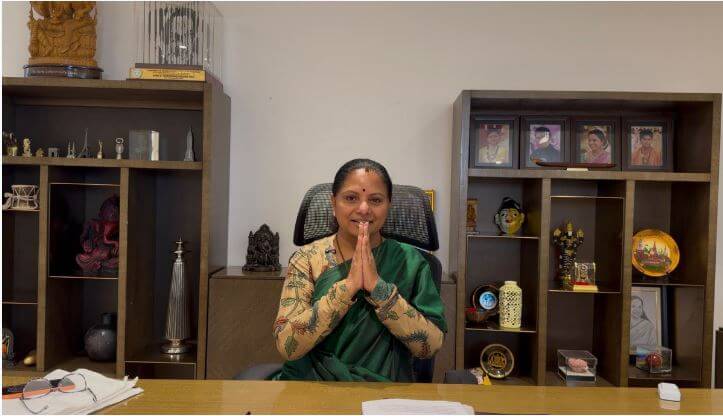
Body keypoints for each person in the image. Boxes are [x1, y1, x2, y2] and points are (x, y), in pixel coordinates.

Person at [270, 159, 447, 381]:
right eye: (351, 198)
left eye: (375, 200)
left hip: (384, 391)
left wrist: (380, 290)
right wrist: (346, 289)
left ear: (389, 205)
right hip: (312, 386)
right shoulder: (307, 259)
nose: (363, 209)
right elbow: (287, 345)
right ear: (333, 203)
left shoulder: (411, 262)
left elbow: (431, 345)